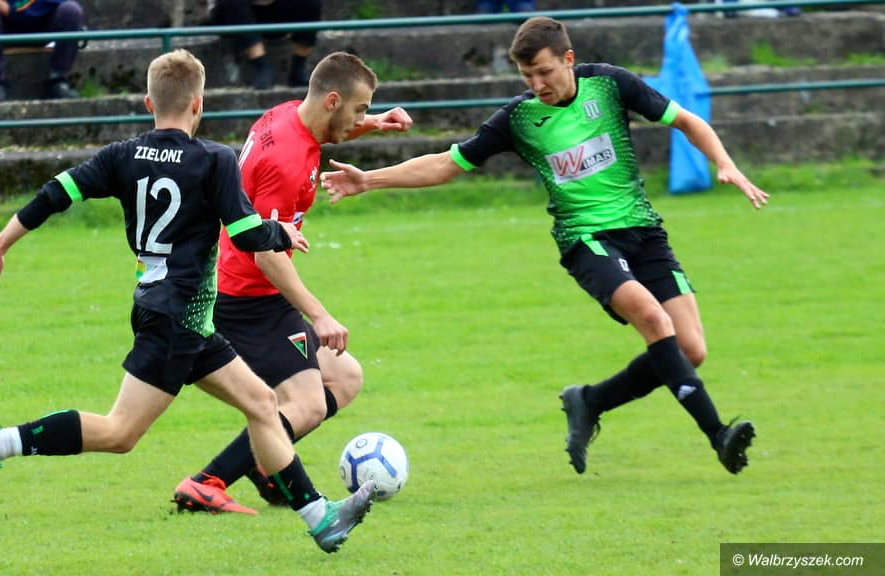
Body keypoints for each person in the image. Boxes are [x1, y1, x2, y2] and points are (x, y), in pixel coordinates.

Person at [0, 48, 376, 554]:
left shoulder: (121, 155)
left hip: (174, 314)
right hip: (179, 320)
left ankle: (320, 518)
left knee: (263, 404)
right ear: (198, 104)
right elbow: (246, 235)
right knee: (120, 432)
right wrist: (280, 232)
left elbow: (54, 194)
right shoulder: (213, 160)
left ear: (148, 103)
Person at [320, 17, 769, 476]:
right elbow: (446, 163)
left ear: (568, 59)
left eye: (545, 72)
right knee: (655, 321)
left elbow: (687, 120)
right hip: (586, 240)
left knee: (690, 349)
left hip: (644, 231)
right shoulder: (520, 117)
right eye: (527, 76)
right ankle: (718, 434)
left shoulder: (609, 85)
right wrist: (369, 180)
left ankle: (590, 401)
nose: (537, 85)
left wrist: (725, 163)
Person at [172, 51, 413, 514]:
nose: (359, 118)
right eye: (359, 109)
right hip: (245, 296)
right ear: (333, 100)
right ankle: (207, 482)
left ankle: (267, 467)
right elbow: (266, 255)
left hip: (249, 290)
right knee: (308, 404)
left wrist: (373, 123)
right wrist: (320, 315)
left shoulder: (288, 116)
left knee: (344, 376)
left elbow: (328, 130)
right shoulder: (286, 162)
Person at [0, 0, 84, 101]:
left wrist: (12, 11)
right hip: (3, 27)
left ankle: (57, 78)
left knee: (71, 10)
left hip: (42, 23)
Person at [207, 0, 322, 89]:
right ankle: (261, 66)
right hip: (235, 14)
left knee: (311, 3)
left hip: (275, 12)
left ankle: (298, 68)